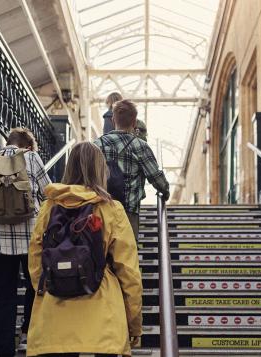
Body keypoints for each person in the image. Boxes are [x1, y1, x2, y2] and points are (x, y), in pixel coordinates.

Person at [26, 142, 143, 357]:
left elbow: (35, 259)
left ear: (69, 168)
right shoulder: (111, 208)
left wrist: (53, 284)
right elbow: (129, 272)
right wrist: (134, 322)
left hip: (55, 317)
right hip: (103, 318)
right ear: (100, 170)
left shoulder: (49, 206)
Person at [0, 128, 51, 357]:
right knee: (37, 288)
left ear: (7, 143)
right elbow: (49, 195)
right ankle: (30, 332)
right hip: (31, 239)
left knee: (1, 298)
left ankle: (4, 351)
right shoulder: (31, 158)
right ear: (28, 146)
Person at [94, 99, 169, 239]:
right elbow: (156, 177)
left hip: (101, 209)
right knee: (127, 256)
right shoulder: (141, 146)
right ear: (134, 122)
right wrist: (165, 191)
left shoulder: (97, 144)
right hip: (128, 212)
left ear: (112, 120)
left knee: (101, 254)